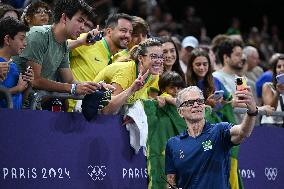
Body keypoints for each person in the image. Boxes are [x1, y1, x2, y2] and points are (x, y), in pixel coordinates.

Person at [165, 86, 258, 189]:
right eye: (190, 103)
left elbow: (243, 131)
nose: (196, 105)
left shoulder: (220, 131)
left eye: (199, 101)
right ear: (180, 112)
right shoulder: (172, 144)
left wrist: (252, 112)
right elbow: (170, 181)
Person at [13, 0, 100, 109]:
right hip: (11, 104)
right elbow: (35, 80)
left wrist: (95, 87)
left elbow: (70, 81)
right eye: (80, 20)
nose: (83, 27)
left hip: (31, 106)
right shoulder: (39, 35)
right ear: (64, 18)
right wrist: (72, 88)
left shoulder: (63, 44)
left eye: (85, 23)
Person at [67, 13, 133, 111]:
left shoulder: (121, 58)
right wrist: (80, 42)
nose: (128, 35)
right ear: (109, 31)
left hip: (95, 114)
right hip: (71, 111)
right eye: (123, 30)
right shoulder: (90, 41)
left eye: (130, 32)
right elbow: (59, 47)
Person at [94, 38, 163, 114]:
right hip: (87, 111)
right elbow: (106, 110)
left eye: (161, 57)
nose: (159, 61)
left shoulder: (152, 76)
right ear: (140, 58)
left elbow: (131, 99)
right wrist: (132, 89)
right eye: (153, 56)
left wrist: (133, 114)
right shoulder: (125, 73)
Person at [0, 17, 33, 109]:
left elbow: (19, 102)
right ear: (7, 40)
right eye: (21, 39)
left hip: (14, 120)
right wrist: (17, 89)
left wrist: (29, 85)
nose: (25, 43)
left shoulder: (13, 65)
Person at [261, 54, 284, 126]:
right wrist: (277, 92)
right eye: (279, 66)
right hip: (269, 125)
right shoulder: (267, 86)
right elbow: (270, 109)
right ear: (275, 70)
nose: (282, 69)